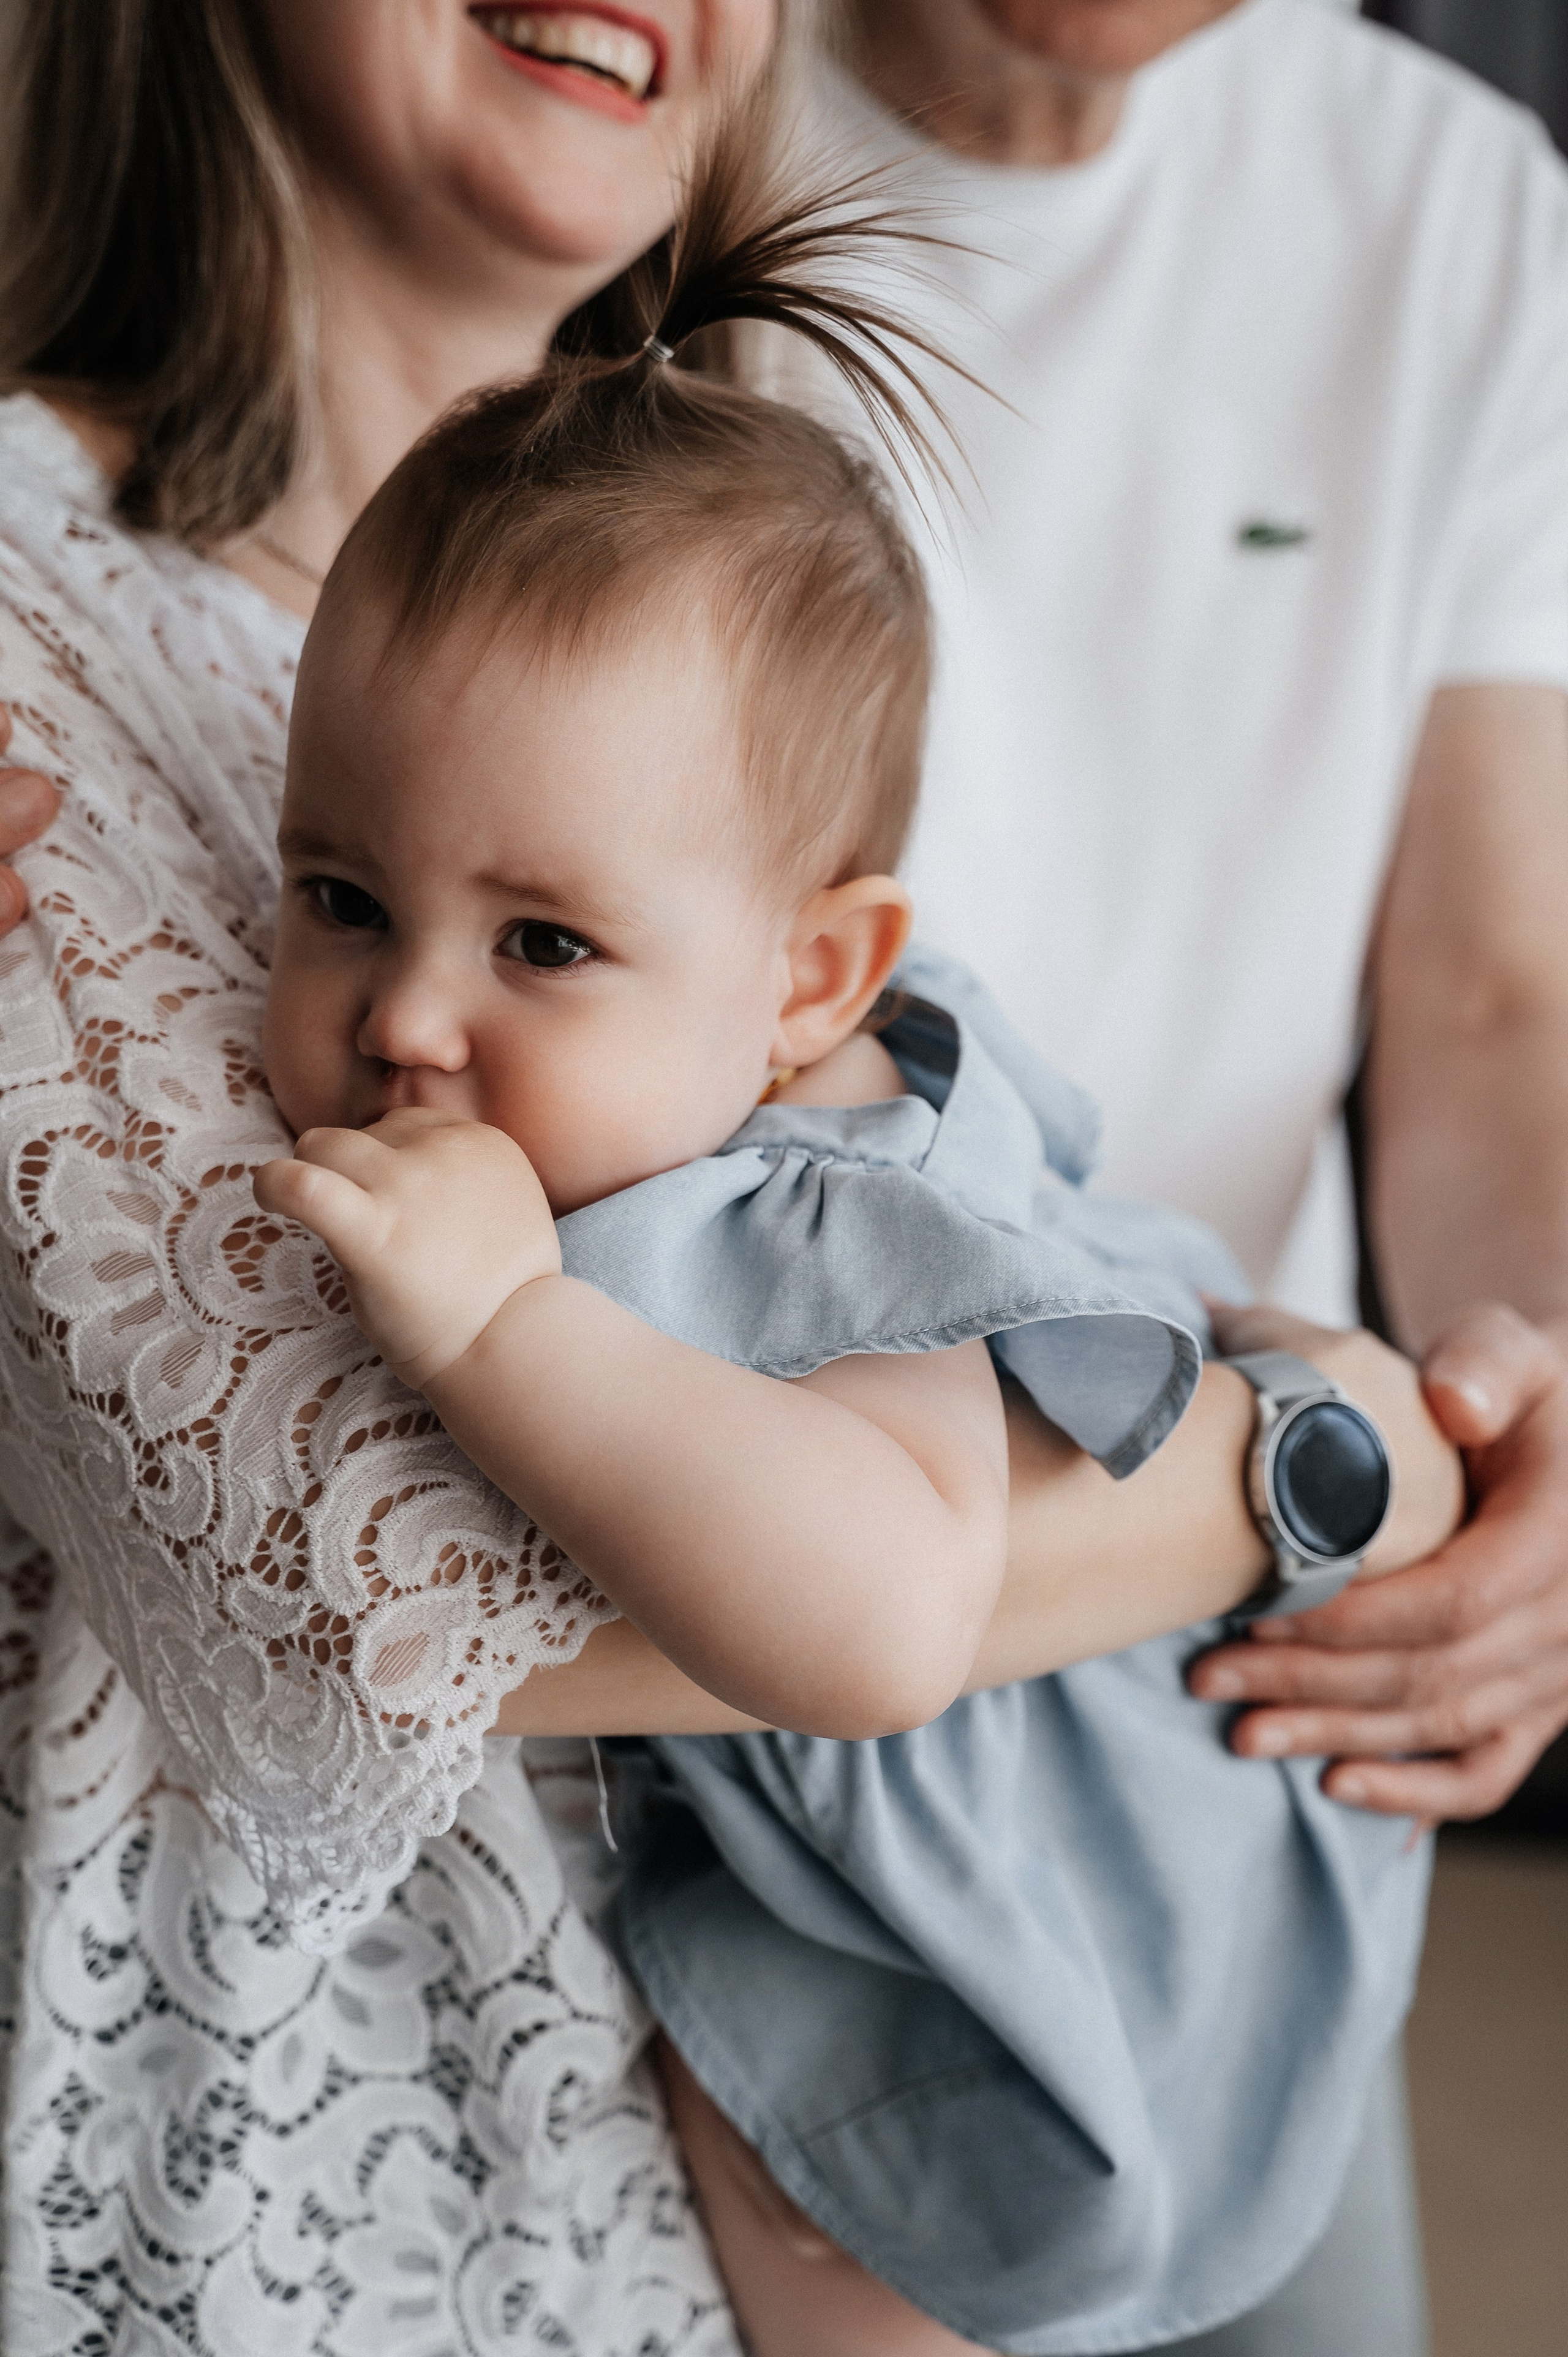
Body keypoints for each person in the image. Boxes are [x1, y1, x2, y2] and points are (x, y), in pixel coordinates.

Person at [0, 6, 1448, 2349]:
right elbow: (334, 1594)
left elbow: (877, 1593)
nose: (406, 1025)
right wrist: (1317, 1458)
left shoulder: (747, 956)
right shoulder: (42, 632)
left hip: (727, 2170)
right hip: (305, 2220)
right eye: (336, 901)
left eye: (545, 940)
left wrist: (1336, 1434)